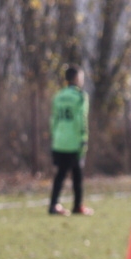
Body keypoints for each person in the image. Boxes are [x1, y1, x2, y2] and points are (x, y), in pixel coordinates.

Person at [49, 66, 92, 217]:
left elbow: (53, 119)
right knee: (77, 175)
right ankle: (78, 206)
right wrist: (84, 138)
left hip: (59, 141)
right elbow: (82, 118)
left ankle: (53, 205)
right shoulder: (80, 96)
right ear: (76, 78)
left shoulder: (58, 95)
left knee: (60, 175)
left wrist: (54, 136)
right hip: (74, 141)